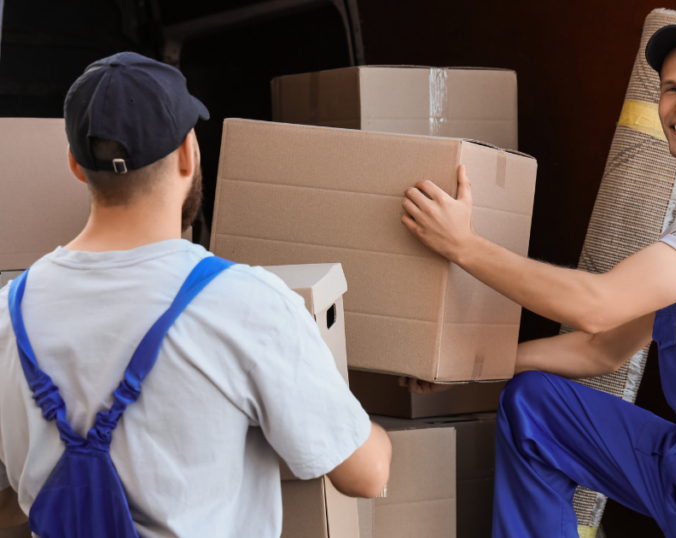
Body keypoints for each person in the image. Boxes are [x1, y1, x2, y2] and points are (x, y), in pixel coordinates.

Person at [400, 22, 676, 538]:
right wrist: (468, 368)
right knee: (535, 406)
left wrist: (463, 246)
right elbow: (603, 350)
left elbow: (596, 307)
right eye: (672, 88)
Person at [0, 52, 391, 537]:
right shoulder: (244, 304)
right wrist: (377, 438)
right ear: (189, 153)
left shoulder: (7, 313)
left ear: (76, 166)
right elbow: (366, 475)